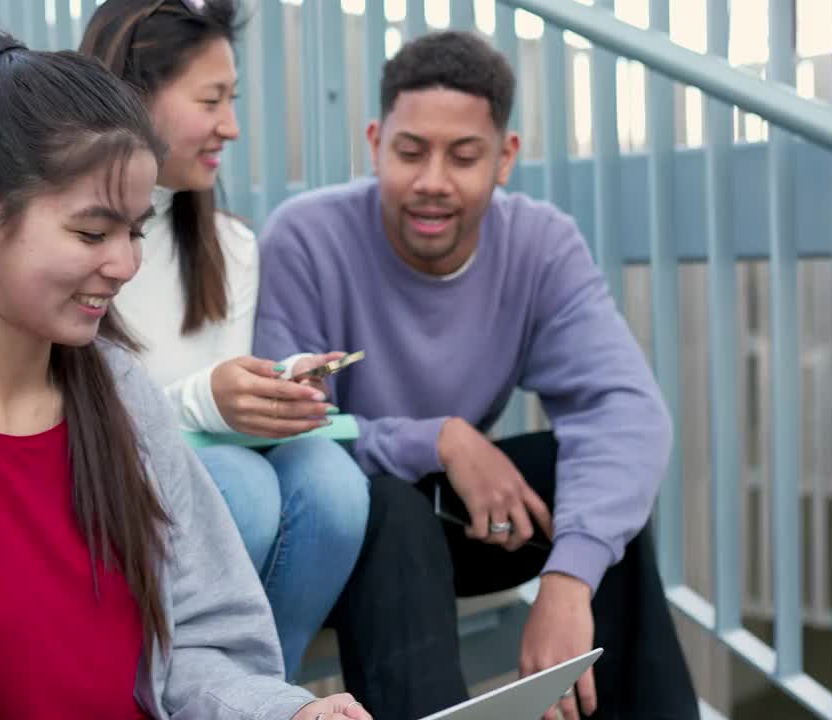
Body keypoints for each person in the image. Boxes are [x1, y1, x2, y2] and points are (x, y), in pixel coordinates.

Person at [0, 33, 370, 720]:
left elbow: (198, 645)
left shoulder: (125, 397)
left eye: (134, 231)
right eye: (91, 233)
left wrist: (286, 711)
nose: (126, 264)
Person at [254, 30, 699, 720]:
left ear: (505, 158)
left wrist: (569, 580)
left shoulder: (541, 245)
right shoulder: (305, 238)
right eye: (409, 152)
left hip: (465, 524)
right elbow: (292, 432)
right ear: (375, 142)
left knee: (586, 479)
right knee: (390, 507)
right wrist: (439, 440)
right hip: (348, 533)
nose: (433, 181)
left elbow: (624, 410)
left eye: (464, 156)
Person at [79, 0, 369, 679]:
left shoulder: (232, 245)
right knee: (238, 484)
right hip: (104, 479)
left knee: (334, 483)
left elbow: (214, 386)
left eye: (232, 100)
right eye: (212, 100)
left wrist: (278, 381)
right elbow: (75, 406)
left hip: (203, 468)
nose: (231, 127)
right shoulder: (75, 243)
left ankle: (269, 689)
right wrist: (207, 400)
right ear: (132, 96)